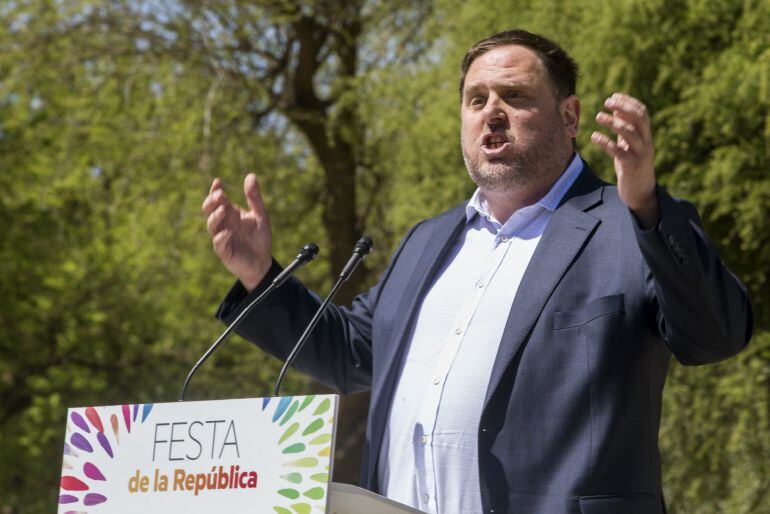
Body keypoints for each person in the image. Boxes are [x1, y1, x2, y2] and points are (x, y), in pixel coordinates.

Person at [202, 29, 752, 514]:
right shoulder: (427, 241)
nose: (492, 112)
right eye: (476, 99)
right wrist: (260, 278)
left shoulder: (629, 225)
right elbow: (350, 352)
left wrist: (649, 207)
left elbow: (715, 335)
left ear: (569, 118)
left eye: (514, 97)